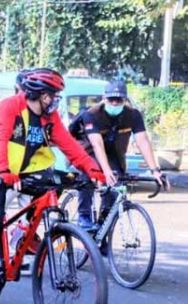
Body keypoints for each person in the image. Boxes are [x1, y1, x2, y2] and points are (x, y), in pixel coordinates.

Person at [0, 68, 106, 304]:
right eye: (53, 95)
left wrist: (93, 170)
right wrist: (3, 170)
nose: (56, 100)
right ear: (40, 95)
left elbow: (69, 145)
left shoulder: (49, 117)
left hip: (23, 169)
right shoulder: (10, 106)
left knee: (54, 184)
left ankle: (22, 231)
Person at [72, 80, 168, 230]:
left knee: (114, 188)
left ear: (126, 100)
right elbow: (97, 144)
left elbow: (142, 141)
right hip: (88, 150)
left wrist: (155, 170)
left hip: (114, 153)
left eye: (119, 100)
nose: (115, 103)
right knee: (89, 174)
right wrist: (105, 171)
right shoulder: (91, 115)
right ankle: (84, 215)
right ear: (104, 98)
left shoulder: (133, 115)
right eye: (111, 99)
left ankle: (102, 231)